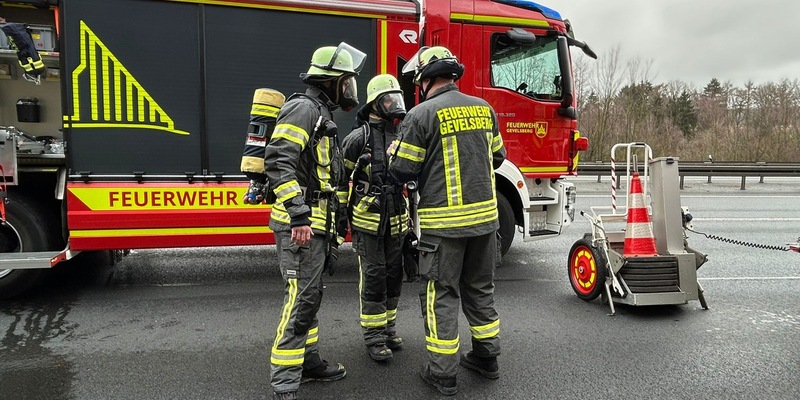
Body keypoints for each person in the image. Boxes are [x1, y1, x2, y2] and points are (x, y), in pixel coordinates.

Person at [387, 46, 507, 396]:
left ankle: (442, 374)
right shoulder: (485, 109)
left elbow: (400, 170)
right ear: (453, 75)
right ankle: (487, 358)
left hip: (444, 227)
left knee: (441, 294)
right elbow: (497, 157)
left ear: (424, 79)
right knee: (480, 290)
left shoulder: (421, 114)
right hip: (486, 222)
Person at [264, 42, 366, 400]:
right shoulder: (303, 109)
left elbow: (326, 176)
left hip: (317, 225)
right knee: (300, 300)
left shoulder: (320, 112)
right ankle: (285, 381)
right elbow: (279, 162)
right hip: (301, 227)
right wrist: (298, 214)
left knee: (311, 297)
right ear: (332, 81)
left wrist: (335, 227)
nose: (351, 87)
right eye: (347, 80)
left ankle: (308, 363)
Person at [341, 74, 408, 362]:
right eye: (389, 99)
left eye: (397, 98)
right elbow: (339, 179)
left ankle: (389, 329)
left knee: (395, 275)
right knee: (374, 277)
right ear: (374, 104)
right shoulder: (358, 138)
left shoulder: (399, 135)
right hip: (368, 222)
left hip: (396, 219)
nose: (395, 104)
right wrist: (341, 220)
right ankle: (373, 336)